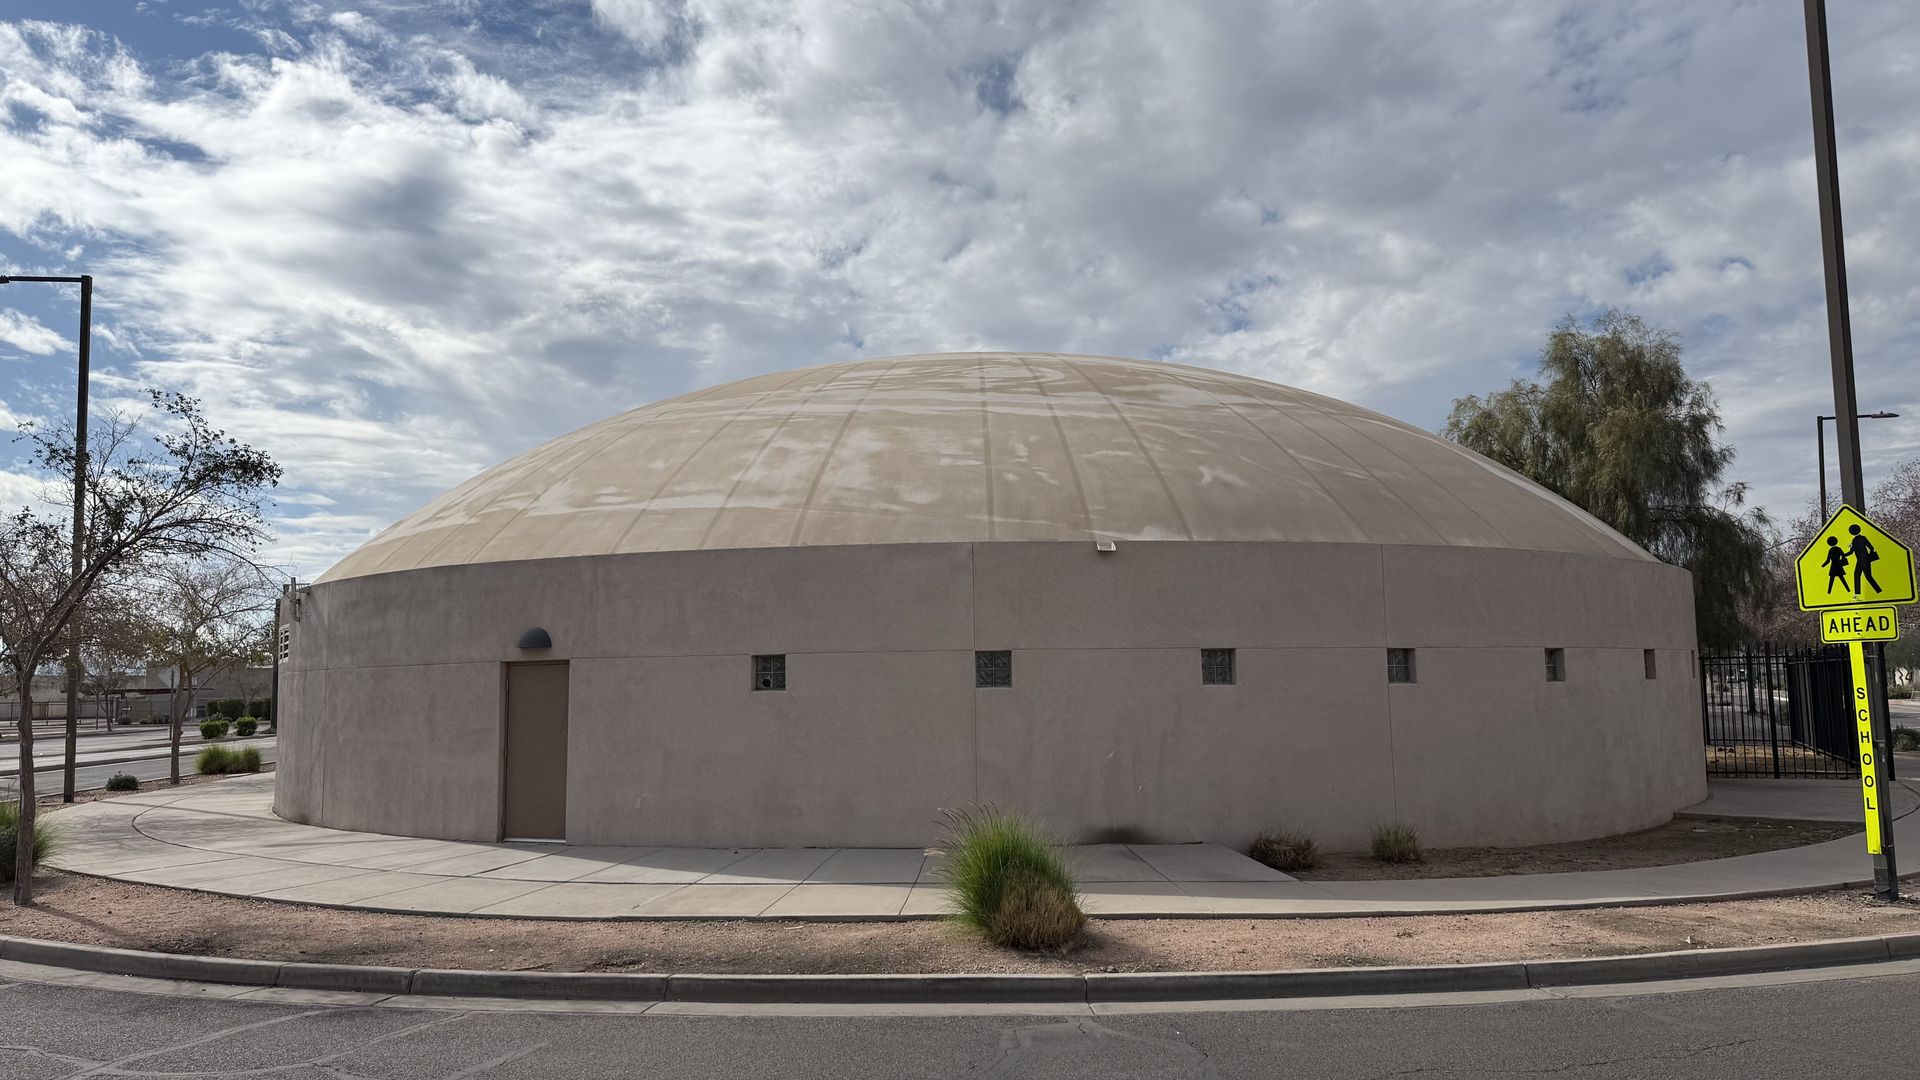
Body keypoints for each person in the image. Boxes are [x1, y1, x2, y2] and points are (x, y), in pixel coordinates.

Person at [1849, 524, 1882, 595]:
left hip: (1861, 561)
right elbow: (1872, 548)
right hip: (1865, 561)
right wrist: (1868, 557)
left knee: (1859, 575)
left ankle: (1858, 593)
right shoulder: (1862, 538)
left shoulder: (1854, 540)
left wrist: (1843, 555)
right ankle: (1878, 591)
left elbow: (1851, 552)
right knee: (1866, 576)